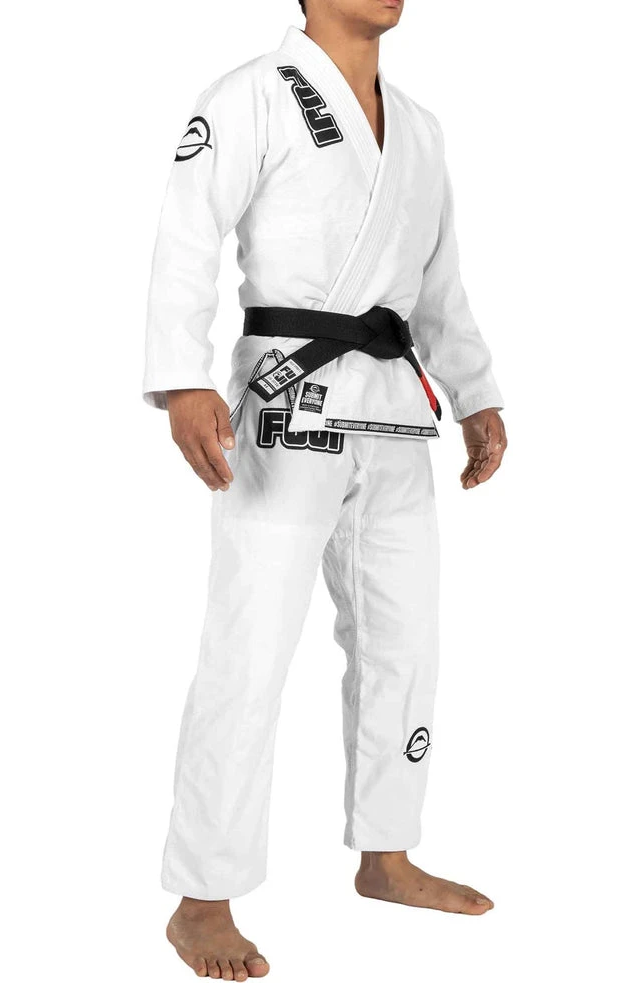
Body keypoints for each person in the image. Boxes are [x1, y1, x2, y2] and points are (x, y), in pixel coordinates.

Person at [142, 1, 507, 977]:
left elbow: (440, 285)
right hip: (283, 403)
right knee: (250, 650)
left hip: (394, 411)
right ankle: (202, 896)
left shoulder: (420, 128)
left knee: (406, 642)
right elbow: (187, 236)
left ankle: (387, 851)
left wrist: (476, 392)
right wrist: (181, 379)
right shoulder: (250, 95)